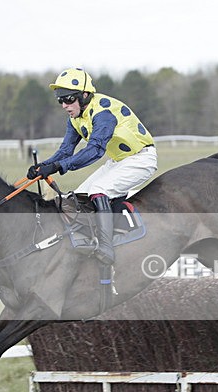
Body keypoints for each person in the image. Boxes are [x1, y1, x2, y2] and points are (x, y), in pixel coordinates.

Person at [27, 67, 158, 265]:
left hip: (141, 159)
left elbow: (95, 151)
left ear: (85, 95)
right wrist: (43, 166)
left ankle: (107, 247)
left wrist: (57, 167)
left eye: (69, 99)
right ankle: (90, 239)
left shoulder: (103, 114)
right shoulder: (75, 118)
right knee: (77, 197)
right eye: (60, 100)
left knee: (98, 190)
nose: (64, 105)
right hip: (119, 161)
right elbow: (65, 151)